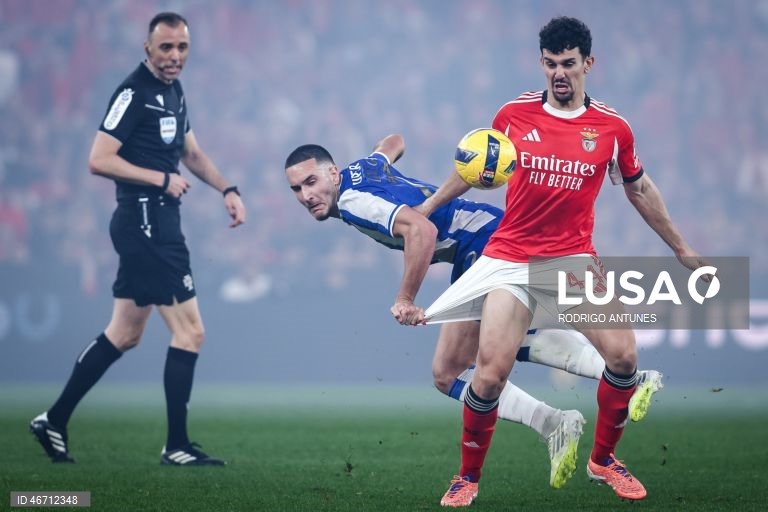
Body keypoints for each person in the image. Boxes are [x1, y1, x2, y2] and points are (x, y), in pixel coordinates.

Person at [417, 16, 711, 506]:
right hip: (510, 259)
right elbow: (475, 168)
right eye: (551, 63)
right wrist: (427, 208)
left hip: (572, 261)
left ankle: (603, 460)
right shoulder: (513, 115)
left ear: (587, 64)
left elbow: (638, 187)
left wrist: (680, 246)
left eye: (569, 64)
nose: (559, 72)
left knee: (624, 357)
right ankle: (467, 476)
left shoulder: (613, 128)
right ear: (542, 64)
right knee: (488, 375)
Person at [284, 135, 663, 489]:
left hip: (482, 247)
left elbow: (422, 232)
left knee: (448, 372)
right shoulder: (361, 169)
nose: (306, 195)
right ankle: (605, 389)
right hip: (487, 237)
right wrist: (384, 155)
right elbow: (394, 141)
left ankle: (565, 414)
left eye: (311, 182)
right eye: (297, 189)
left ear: (333, 174)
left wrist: (405, 298)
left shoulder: (353, 202)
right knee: (499, 347)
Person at [29, 12, 246, 466]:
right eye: (165, 47)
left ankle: (53, 420)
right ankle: (177, 445)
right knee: (191, 332)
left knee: (124, 333)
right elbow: (98, 158)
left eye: (182, 48)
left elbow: (191, 153)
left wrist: (226, 188)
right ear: (147, 49)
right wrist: (160, 179)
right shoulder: (133, 93)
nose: (174, 56)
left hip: (156, 221)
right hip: (145, 222)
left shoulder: (173, 92)